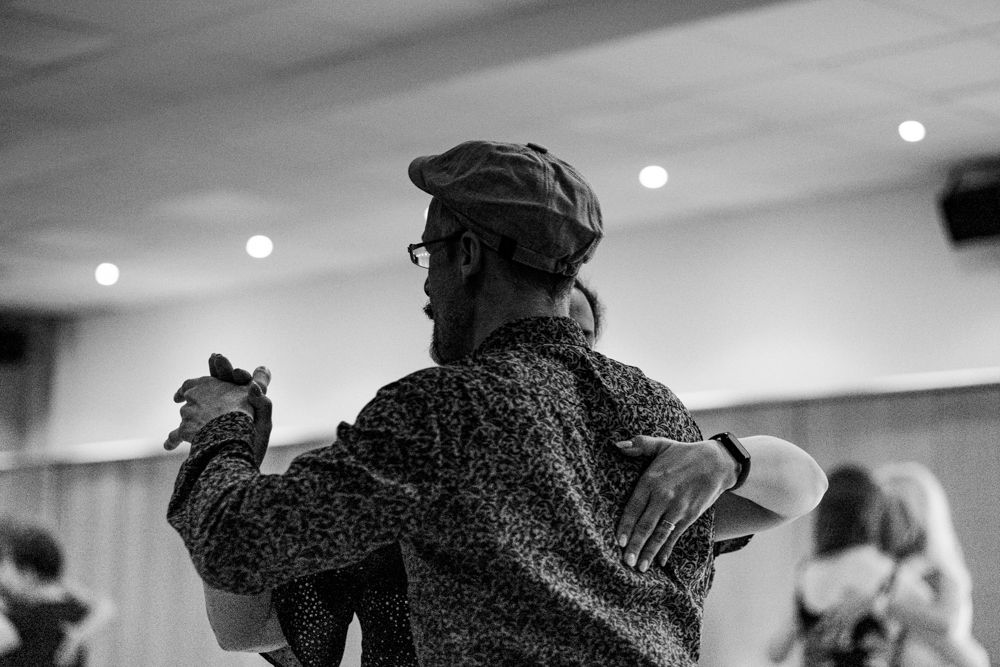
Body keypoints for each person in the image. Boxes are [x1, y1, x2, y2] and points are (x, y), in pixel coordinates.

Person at [167, 140, 827, 665]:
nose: (427, 284)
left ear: (467, 254)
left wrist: (223, 430)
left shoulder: (443, 413)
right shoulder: (656, 413)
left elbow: (235, 543)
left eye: (427, 253)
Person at [767, 464, 911, 666]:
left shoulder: (806, 572)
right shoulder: (891, 573)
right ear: (872, 513)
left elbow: (776, 652)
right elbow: (945, 627)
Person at [872, 462, 989, 666]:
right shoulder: (883, 568)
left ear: (914, 516)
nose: (879, 523)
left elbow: (946, 622)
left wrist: (882, 605)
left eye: (888, 514)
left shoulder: (936, 572)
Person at [0, 518, 114, 667]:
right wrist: (78, 635)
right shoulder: (77, 612)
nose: (2, 575)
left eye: (6, 567)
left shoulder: (21, 620)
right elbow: (105, 606)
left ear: (28, 573)